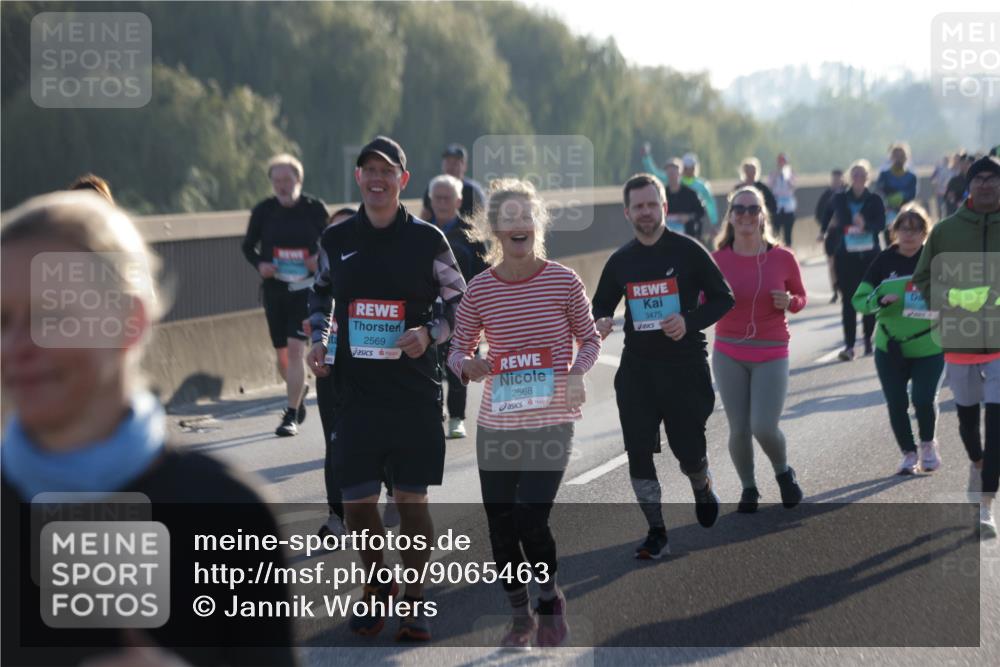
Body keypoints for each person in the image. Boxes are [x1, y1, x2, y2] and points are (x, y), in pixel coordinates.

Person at [1, 191, 294, 666]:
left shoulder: (227, 513)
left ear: (129, 321)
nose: (16, 345)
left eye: (49, 315)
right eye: (1, 320)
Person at [307, 136, 467, 641]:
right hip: (356, 394)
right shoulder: (336, 241)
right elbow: (320, 297)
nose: (377, 178)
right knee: (357, 506)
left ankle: (414, 600)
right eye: (368, 170)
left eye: (387, 170)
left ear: (403, 178)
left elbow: (460, 302)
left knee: (410, 502)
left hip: (414, 392)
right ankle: (379, 588)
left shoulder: (427, 240)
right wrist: (319, 341)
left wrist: (431, 334)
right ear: (358, 178)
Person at [447, 179, 601, 649]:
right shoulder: (479, 290)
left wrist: (577, 372)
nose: (518, 225)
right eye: (508, 218)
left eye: (525, 216)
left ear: (536, 224)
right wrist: (467, 365)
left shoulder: (562, 280)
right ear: (495, 229)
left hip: (551, 422)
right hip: (497, 424)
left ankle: (549, 598)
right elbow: (457, 349)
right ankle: (520, 615)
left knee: (529, 518)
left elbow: (590, 338)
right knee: (499, 526)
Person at [592, 173, 735, 560]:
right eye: (638, 206)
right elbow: (601, 304)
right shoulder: (621, 261)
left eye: (652, 204)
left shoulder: (688, 252)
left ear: (664, 208)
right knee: (638, 452)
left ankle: (701, 483)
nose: (646, 212)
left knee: (687, 449)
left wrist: (688, 320)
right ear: (627, 213)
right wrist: (603, 320)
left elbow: (724, 299)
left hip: (684, 366)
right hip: (638, 370)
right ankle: (656, 530)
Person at [913, 155, 1000, 538]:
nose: (986, 184)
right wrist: (951, 298)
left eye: (993, 179)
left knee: (997, 425)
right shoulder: (946, 231)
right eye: (979, 178)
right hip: (960, 340)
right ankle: (978, 463)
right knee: (968, 424)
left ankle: (985, 505)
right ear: (968, 185)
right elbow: (922, 278)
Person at [711, 186, 806, 513]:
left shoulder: (782, 258)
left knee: (763, 426)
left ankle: (783, 472)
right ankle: (749, 488)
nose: (747, 215)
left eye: (753, 209)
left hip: (771, 350)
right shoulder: (717, 260)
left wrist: (790, 302)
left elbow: (801, 297)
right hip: (729, 351)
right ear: (731, 216)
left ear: (763, 215)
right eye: (740, 210)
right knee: (738, 428)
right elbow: (701, 301)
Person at [851, 204, 944, 476]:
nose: (910, 235)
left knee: (923, 398)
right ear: (895, 231)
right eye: (904, 228)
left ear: (925, 232)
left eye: (916, 229)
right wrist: (878, 301)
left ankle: (927, 444)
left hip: (929, 343)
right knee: (896, 401)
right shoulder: (883, 261)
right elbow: (859, 300)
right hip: (890, 345)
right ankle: (908, 453)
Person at [241, 153, 328, 437]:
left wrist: (318, 261)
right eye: (276, 181)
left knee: (294, 350)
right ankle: (297, 391)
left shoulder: (314, 209)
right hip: (275, 290)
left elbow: (332, 243)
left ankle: (290, 414)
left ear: (298, 180)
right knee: (282, 357)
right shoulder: (263, 211)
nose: (282, 185)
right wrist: (260, 265)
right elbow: (247, 247)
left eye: (287, 180)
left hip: (305, 291)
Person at [427, 174, 489, 438]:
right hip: (427, 310)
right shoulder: (419, 230)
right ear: (430, 200)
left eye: (447, 197)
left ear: (458, 200)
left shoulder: (470, 235)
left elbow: (484, 272)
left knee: (457, 363)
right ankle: (432, 412)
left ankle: (456, 417)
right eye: (437, 197)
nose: (442, 202)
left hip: (462, 310)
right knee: (429, 365)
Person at [310, 206, 357, 539]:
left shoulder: (378, 259)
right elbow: (317, 301)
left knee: (376, 437)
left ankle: (393, 486)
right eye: (332, 232)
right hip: (333, 364)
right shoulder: (326, 269)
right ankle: (336, 516)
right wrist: (319, 342)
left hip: (376, 366)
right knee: (336, 441)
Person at [820, 159, 886, 361]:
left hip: (870, 256)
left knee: (868, 298)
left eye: (862, 175)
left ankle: (867, 340)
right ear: (850, 177)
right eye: (854, 175)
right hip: (846, 256)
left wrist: (866, 225)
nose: (858, 178)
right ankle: (849, 345)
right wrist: (841, 226)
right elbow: (831, 218)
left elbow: (881, 224)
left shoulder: (875, 199)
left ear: (868, 177)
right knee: (848, 301)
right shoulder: (839, 198)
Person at [641, 144, 718, 240]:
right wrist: (646, 157)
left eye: (691, 167)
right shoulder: (673, 180)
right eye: (687, 167)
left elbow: (709, 205)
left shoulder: (701, 186)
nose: (689, 170)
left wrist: (714, 223)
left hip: (690, 232)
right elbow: (654, 173)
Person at [420, 143, 486, 221]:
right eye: (447, 162)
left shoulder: (472, 191)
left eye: (455, 163)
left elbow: (480, 219)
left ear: (464, 166)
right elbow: (425, 215)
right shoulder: (434, 187)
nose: (450, 167)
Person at [876, 142, 918, 243]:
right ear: (891, 158)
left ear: (906, 158)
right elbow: (879, 192)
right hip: (889, 214)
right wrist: (887, 202)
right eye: (896, 156)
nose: (899, 159)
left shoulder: (912, 177)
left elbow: (912, 194)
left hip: (906, 215)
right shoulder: (884, 175)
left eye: (901, 156)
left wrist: (901, 197)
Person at [816, 168, 846, 303]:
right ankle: (835, 290)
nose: (836, 182)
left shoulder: (848, 193)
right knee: (831, 263)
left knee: (844, 263)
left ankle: (845, 288)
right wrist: (825, 227)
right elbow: (819, 213)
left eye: (838, 179)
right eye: (834, 179)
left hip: (845, 234)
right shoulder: (827, 195)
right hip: (831, 234)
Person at [662, 158, 707, 239]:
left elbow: (701, 213)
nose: (671, 175)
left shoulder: (691, 194)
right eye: (669, 172)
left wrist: (688, 217)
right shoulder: (661, 194)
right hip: (667, 239)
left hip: (687, 238)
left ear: (680, 173)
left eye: (674, 172)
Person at [768, 152, 797, 247]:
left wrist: (787, 176)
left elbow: (792, 186)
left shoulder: (791, 173)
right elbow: (770, 186)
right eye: (780, 162)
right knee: (776, 232)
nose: (782, 164)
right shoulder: (773, 174)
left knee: (788, 234)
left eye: (783, 162)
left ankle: (789, 251)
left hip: (788, 206)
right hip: (777, 205)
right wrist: (777, 176)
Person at [944, 153, 974, 217]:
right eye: (963, 163)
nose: (966, 166)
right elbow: (949, 199)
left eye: (968, 163)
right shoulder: (954, 181)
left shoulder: (977, 180)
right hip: (959, 213)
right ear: (960, 165)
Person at [931, 155, 954, 220]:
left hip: (947, 193)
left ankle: (946, 220)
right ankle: (940, 220)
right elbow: (932, 178)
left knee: (947, 208)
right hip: (939, 192)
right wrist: (935, 184)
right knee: (939, 208)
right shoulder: (939, 169)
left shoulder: (951, 170)